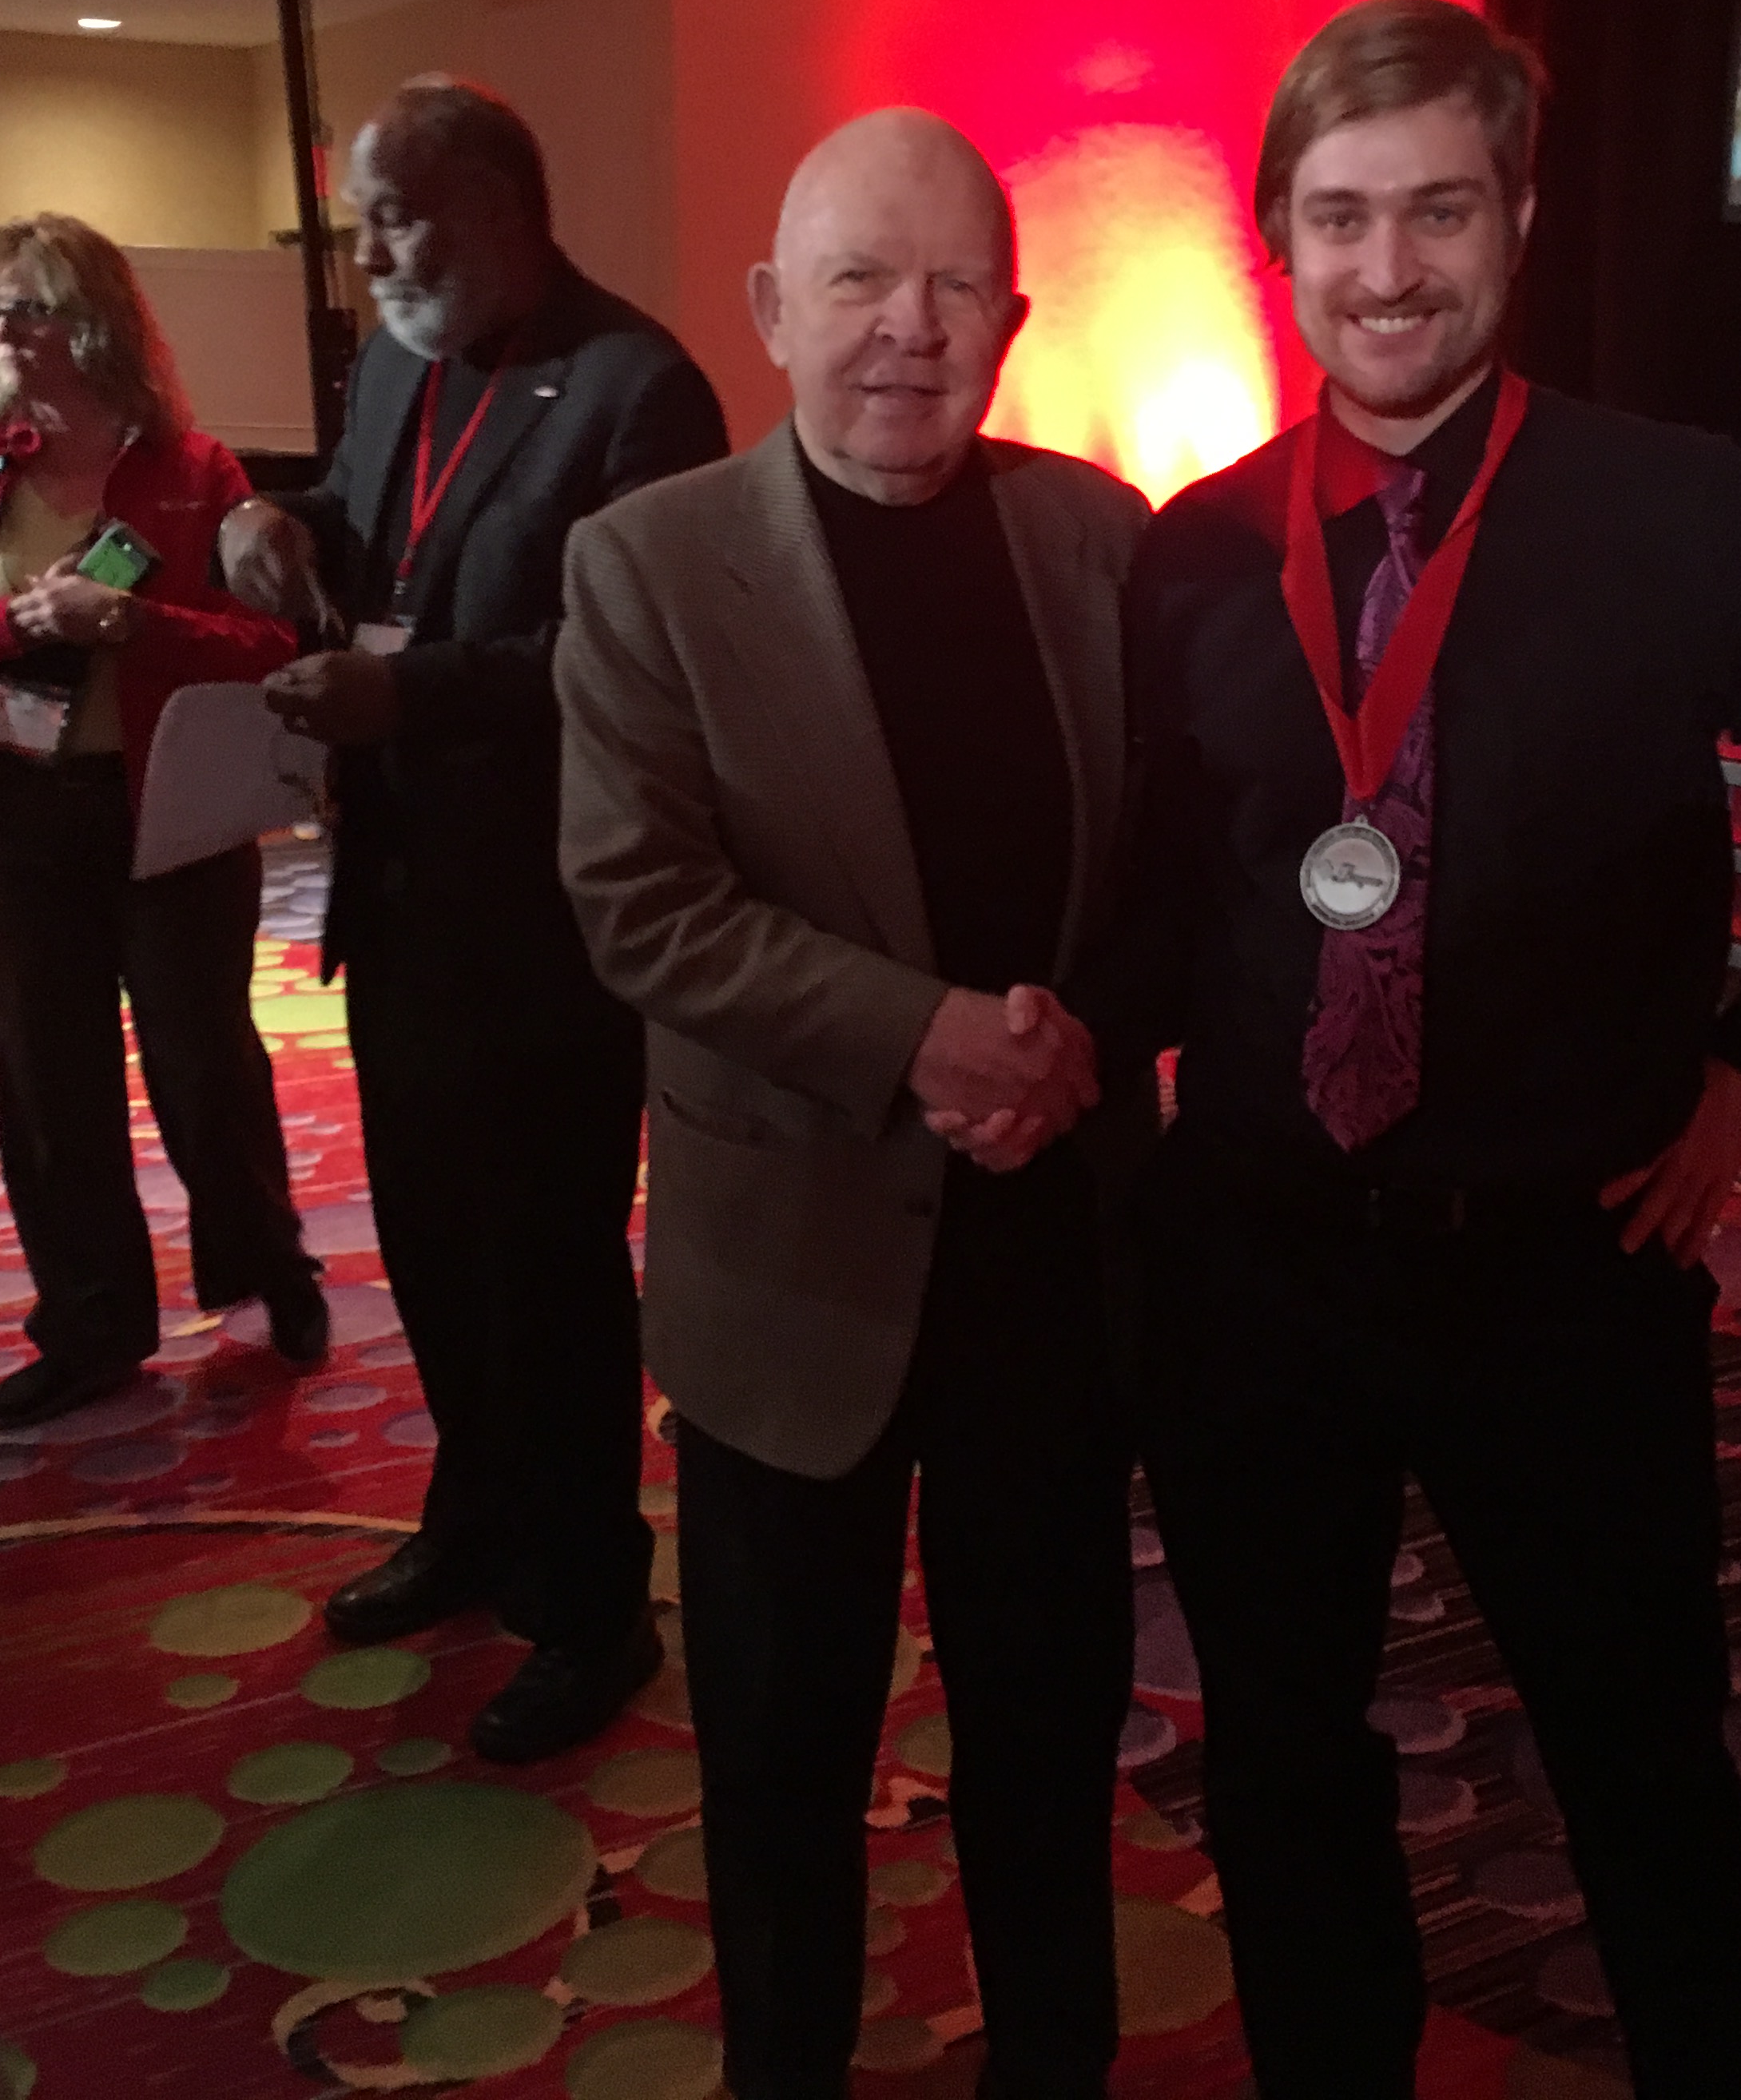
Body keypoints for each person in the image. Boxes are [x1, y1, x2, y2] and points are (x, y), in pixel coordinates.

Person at [1050, 0, 1741, 2098]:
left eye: (1438, 211)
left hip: (1566, 1262)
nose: (1388, 268)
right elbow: (1184, 901)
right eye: (1341, 216)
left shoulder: (1686, 510)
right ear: (1280, 237)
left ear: (1520, 218)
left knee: (1641, 1758)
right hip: (1259, 1261)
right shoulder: (1198, 547)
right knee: (1283, 1755)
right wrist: (1048, 1036)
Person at [554, 109, 1143, 2100]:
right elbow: (641, 905)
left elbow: (1168, 859)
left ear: (1013, 318)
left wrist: (1068, 1050)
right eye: (860, 281)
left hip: (1049, 1262)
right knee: (783, 1768)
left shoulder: (1098, 541)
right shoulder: (646, 563)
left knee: (1049, 1746)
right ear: (771, 310)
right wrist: (930, 1039)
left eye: (958, 283)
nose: (911, 325)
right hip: (790, 1286)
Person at [217, 76, 728, 1762]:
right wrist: (284, 520)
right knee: (432, 1240)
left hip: (551, 917)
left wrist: (412, 697)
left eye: (394, 220)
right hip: (399, 887)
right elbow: (376, 527)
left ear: (500, 203)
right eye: (361, 224)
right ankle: (473, 1517)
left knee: (549, 1269)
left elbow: (625, 659)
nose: (367, 258)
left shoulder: (641, 388)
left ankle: (589, 1603)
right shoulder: (396, 363)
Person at [0, 214, 324, 1431]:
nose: (5, 332)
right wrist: (9, 625)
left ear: (99, 323)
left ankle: (268, 1268)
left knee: (204, 1062)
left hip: (171, 807)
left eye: (33, 307)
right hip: (14, 810)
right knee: (47, 1077)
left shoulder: (193, 470)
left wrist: (136, 625)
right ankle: (91, 1326)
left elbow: (270, 641)